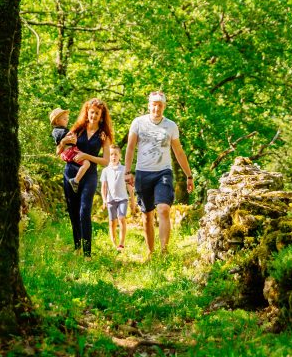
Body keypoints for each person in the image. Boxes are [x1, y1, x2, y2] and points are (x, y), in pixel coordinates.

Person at [124, 91, 194, 257]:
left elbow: (178, 151)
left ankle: (164, 252)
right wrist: (127, 172)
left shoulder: (171, 126)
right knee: (147, 215)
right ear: (149, 105)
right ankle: (150, 252)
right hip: (143, 173)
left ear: (164, 107)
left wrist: (189, 175)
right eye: (154, 104)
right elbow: (130, 148)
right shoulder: (138, 123)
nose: (156, 108)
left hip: (163, 172)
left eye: (160, 105)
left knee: (163, 209)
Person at [57, 98, 113, 258]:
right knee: (73, 212)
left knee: (84, 211)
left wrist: (86, 156)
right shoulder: (77, 129)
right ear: (87, 112)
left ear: (101, 116)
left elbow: (106, 161)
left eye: (97, 113)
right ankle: (77, 247)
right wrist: (62, 142)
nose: (94, 115)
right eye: (91, 112)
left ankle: (87, 254)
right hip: (70, 173)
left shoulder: (104, 136)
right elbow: (58, 152)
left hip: (89, 176)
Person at [100, 144, 136, 251]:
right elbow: (104, 187)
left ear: (120, 156)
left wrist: (133, 202)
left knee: (121, 218)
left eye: (116, 154)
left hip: (122, 199)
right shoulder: (105, 171)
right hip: (111, 200)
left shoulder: (125, 169)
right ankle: (114, 243)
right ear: (109, 156)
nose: (113, 156)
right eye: (111, 154)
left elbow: (130, 188)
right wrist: (104, 200)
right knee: (112, 222)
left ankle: (121, 243)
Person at [50, 107, 90, 193]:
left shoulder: (62, 130)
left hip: (70, 151)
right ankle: (75, 181)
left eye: (67, 118)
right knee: (86, 163)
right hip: (68, 151)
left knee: (85, 161)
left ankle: (77, 179)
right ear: (57, 121)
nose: (67, 120)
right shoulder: (57, 131)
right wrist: (71, 135)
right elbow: (64, 138)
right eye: (64, 119)